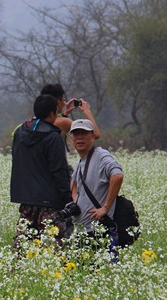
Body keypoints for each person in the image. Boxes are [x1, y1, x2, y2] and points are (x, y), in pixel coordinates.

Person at [10, 94, 73, 247]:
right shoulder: (53, 137)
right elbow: (59, 171)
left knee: (24, 249)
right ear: (52, 114)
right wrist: (68, 201)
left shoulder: (20, 132)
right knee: (53, 249)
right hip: (50, 203)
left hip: (26, 203)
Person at [69, 119, 123, 259]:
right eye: (76, 134)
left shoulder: (100, 155)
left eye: (84, 133)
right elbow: (73, 185)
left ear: (93, 136)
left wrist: (105, 208)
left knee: (103, 275)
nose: (79, 137)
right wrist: (77, 203)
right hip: (83, 231)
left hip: (100, 231)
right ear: (71, 138)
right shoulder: (81, 160)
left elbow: (117, 176)